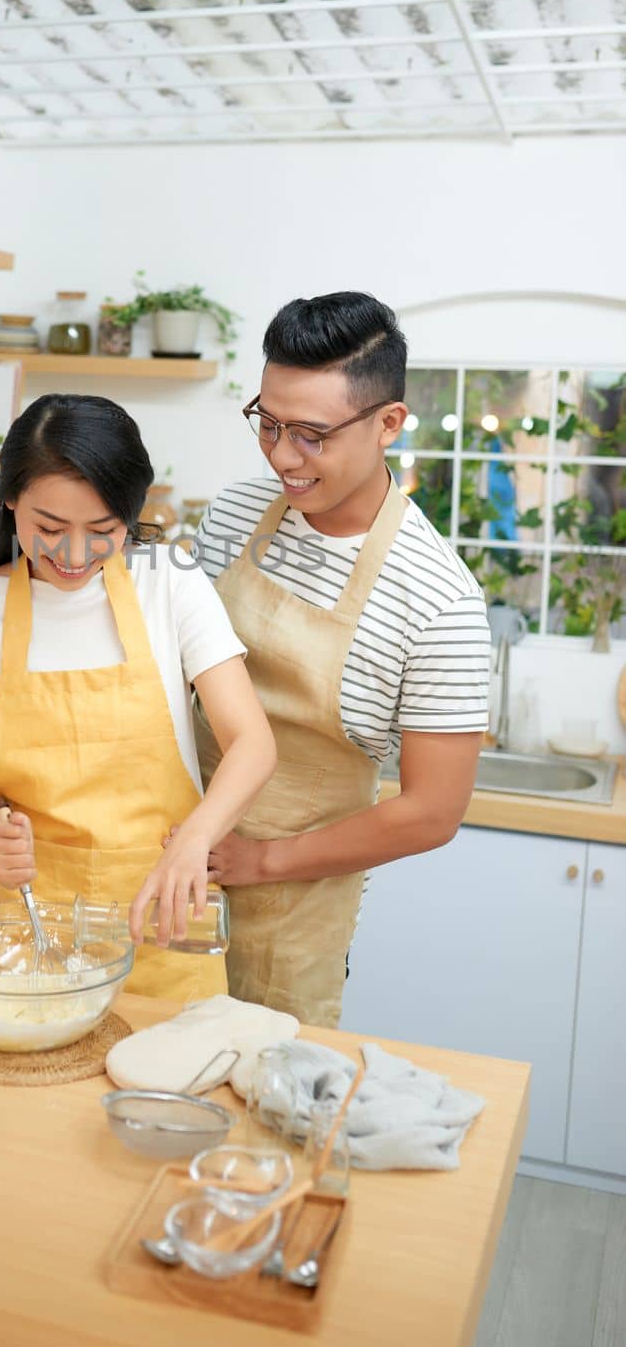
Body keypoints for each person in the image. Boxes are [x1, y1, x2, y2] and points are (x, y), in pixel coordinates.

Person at [190, 292, 490, 1027]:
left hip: (293, 906)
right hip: (169, 866)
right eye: (267, 422)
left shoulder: (438, 601)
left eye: (311, 434)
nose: (282, 456)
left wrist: (260, 862)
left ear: (389, 422)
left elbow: (431, 813)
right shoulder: (233, 514)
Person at [0, 392, 278, 999]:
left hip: (164, 912)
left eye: (102, 531)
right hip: (31, 925)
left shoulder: (170, 584)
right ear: (10, 499)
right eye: (49, 528)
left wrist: (195, 840)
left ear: (131, 513)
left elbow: (252, 743)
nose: (72, 554)